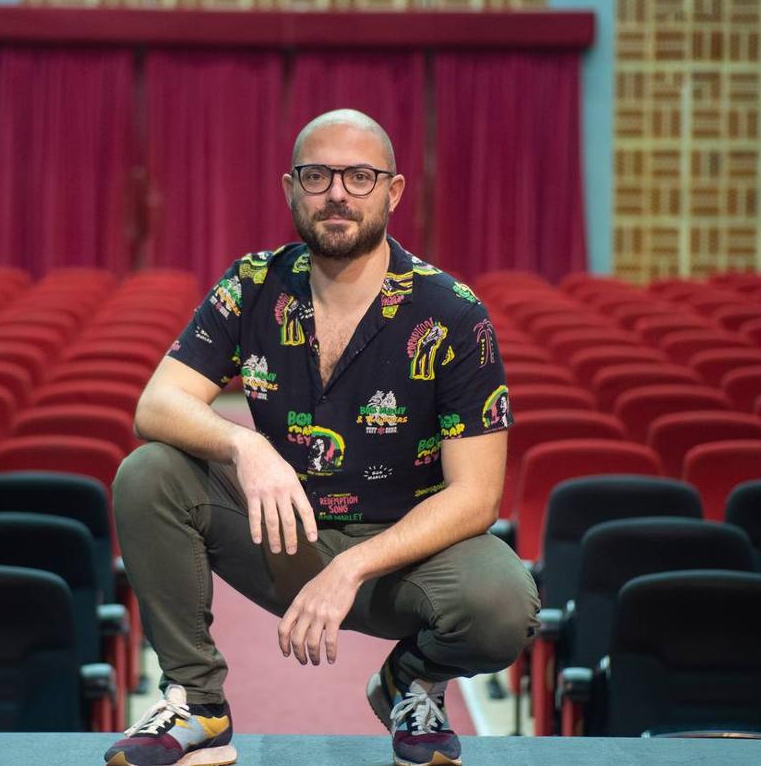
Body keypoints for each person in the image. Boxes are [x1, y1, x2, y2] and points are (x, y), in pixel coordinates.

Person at [104, 109, 539, 766]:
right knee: (149, 473)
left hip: (402, 560)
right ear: (290, 189)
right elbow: (156, 404)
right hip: (280, 534)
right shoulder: (252, 285)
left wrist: (352, 565)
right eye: (318, 176)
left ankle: (411, 681)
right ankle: (198, 704)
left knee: (505, 602)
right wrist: (246, 446)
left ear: (393, 192)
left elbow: (477, 497)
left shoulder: (452, 314)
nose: (338, 193)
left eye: (360, 176)